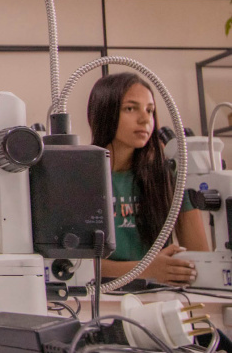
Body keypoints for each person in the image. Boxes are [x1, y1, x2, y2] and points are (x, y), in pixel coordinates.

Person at [88, 72, 209, 286]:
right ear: (104, 111)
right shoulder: (79, 177)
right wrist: (146, 269)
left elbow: (201, 259)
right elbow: (69, 265)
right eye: (130, 108)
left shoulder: (171, 177)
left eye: (150, 110)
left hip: (159, 299)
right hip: (95, 301)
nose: (145, 119)